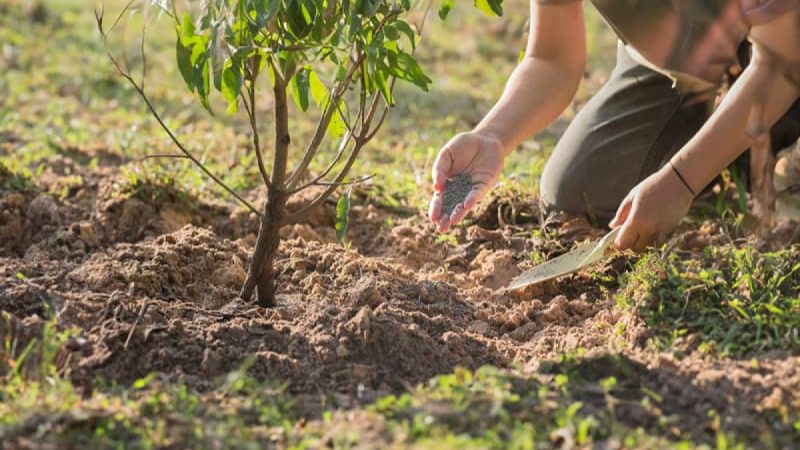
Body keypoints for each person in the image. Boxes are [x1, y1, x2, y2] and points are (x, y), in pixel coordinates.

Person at [428, 0, 800, 251]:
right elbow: (552, 58)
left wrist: (680, 180)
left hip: (783, 48)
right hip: (679, 60)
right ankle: (728, 146)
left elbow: (780, 61)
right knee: (579, 190)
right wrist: (492, 135)